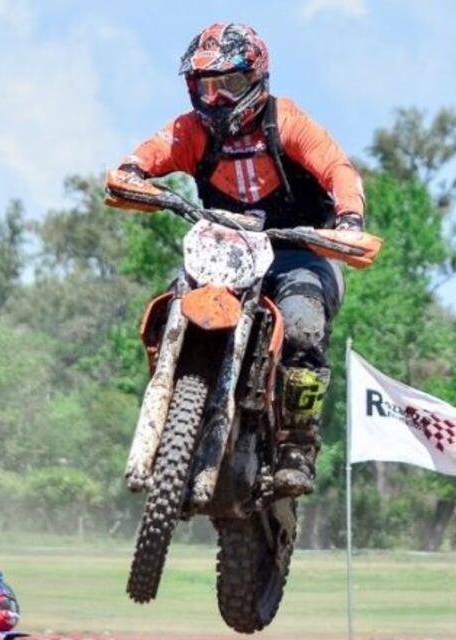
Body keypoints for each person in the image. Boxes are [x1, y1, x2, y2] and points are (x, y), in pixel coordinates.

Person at [105, 22, 367, 496]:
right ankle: (172, 405)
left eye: (230, 85)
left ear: (257, 80)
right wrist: (129, 175)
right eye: (207, 86)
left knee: (303, 325)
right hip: (225, 251)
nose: (218, 98)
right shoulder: (191, 131)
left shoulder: (286, 121)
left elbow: (338, 170)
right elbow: (144, 157)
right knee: (169, 303)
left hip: (301, 250)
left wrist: (348, 220)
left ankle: (296, 444)